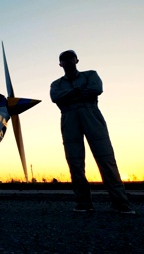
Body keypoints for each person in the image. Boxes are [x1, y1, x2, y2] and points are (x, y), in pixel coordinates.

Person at [50, 50, 135, 214]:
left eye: (70, 58)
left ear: (77, 60)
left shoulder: (90, 75)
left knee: (105, 157)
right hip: (69, 118)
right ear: (60, 64)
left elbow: (96, 89)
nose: (67, 61)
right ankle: (83, 203)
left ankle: (120, 202)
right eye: (63, 59)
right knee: (74, 161)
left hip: (91, 114)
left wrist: (69, 95)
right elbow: (55, 97)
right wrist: (77, 92)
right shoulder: (56, 84)